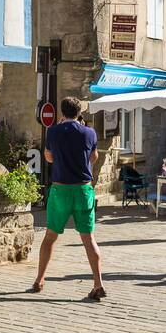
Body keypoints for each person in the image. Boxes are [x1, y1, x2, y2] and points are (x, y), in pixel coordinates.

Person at [31, 97, 106, 301]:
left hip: (61, 189)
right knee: (89, 239)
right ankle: (98, 283)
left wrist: (60, 161)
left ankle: (39, 279)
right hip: (83, 190)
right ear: (79, 112)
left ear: (62, 113)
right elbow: (94, 157)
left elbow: (48, 156)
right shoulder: (89, 132)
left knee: (50, 237)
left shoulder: (53, 131)